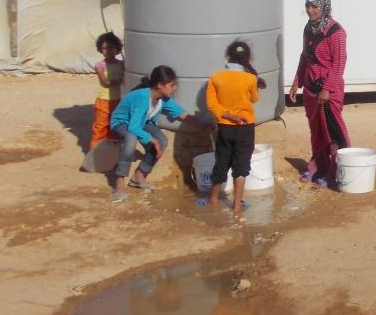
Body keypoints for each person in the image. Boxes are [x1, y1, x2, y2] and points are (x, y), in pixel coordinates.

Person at [108, 65, 203, 202]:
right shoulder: (142, 97)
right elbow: (133, 127)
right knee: (130, 138)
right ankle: (119, 182)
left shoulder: (163, 99)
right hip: (123, 122)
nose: (174, 88)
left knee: (162, 140)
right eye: (172, 85)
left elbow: (181, 114)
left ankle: (139, 177)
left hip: (143, 122)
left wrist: (201, 126)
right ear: (160, 85)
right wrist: (152, 140)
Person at [288, 0, 349, 188]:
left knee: (333, 133)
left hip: (328, 93)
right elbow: (305, 56)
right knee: (316, 132)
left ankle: (335, 172)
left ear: (323, 7)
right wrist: (297, 82)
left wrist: (328, 89)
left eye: (314, 6)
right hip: (311, 90)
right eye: (308, 5)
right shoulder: (309, 28)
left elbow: (339, 63)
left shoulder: (336, 32)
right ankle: (318, 167)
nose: (310, 10)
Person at [206, 39, 267, 212]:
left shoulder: (216, 77)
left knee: (221, 162)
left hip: (225, 126)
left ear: (227, 56)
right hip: (245, 126)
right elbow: (254, 99)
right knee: (241, 166)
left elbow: (211, 104)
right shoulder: (250, 78)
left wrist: (228, 115)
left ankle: (212, 201)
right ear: (248, 58)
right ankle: (237, 204)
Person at [90, 32, 124, 149]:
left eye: (111, 47)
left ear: (117, 48)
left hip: (118, 101)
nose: (108, 50)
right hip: (103, 100)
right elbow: (106, 82)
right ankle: (94, 154)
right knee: (100, 127)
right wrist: (120, 80)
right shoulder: (100, 65)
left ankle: (111, 154)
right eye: (104, 48)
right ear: (100, 50)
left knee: (114, 126)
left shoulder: (122, 64)